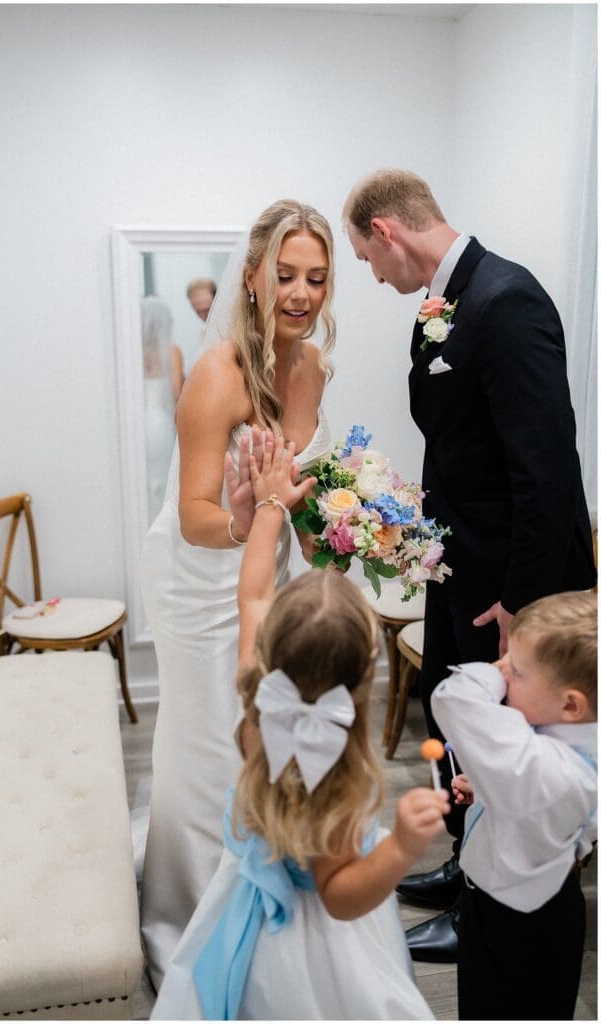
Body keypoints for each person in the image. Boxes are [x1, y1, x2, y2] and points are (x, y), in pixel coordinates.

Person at [342, 168, 596, 960]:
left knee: (509, 743)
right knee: (453, 723)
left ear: (387, 231)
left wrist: (524, 602)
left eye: (363, 258)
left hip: (513, 583)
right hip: (459, 560)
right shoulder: (438, 307)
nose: (371, 276)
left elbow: (546, 467)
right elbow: (460, 437)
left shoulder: (505, 299)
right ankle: (463, 868)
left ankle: (497, 906)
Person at [150, 435, 448, 1020]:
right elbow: (340, 899)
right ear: (361, 685)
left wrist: (269, 505)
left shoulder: (258, 711)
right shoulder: (334, 779)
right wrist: (399, 850)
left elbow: (253, 594)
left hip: (244, 911)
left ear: (269, 656)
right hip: (315, 951)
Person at [140, 200, 335, 988]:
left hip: (268, 565)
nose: (299, 292)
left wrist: (335, 528)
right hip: (200, 574)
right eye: (284, 274)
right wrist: (250, 520)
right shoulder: (215, 375)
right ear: (251, 277)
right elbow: (193, 515)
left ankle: (262, 889)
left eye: (316, 278)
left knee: (265, 728)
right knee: (211, 736)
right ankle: (188, 907)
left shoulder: (313, 367)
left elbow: (299, 485)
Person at [431, 590, 597, 1020]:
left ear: (570, 704)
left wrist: (491, 672)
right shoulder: (559, 750)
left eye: (517, 672)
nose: (505, 676)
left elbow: (452, 698)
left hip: (521, 924)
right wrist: (492, 790)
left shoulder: (551, 769)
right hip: (508, 897)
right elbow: (531, 798)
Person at [141, 296, 185, 519]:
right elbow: (177, 392)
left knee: (146, 479)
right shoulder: (172, 351)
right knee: (163, 477)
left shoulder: (134, 353)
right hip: (161, 423)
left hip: (141, 423)